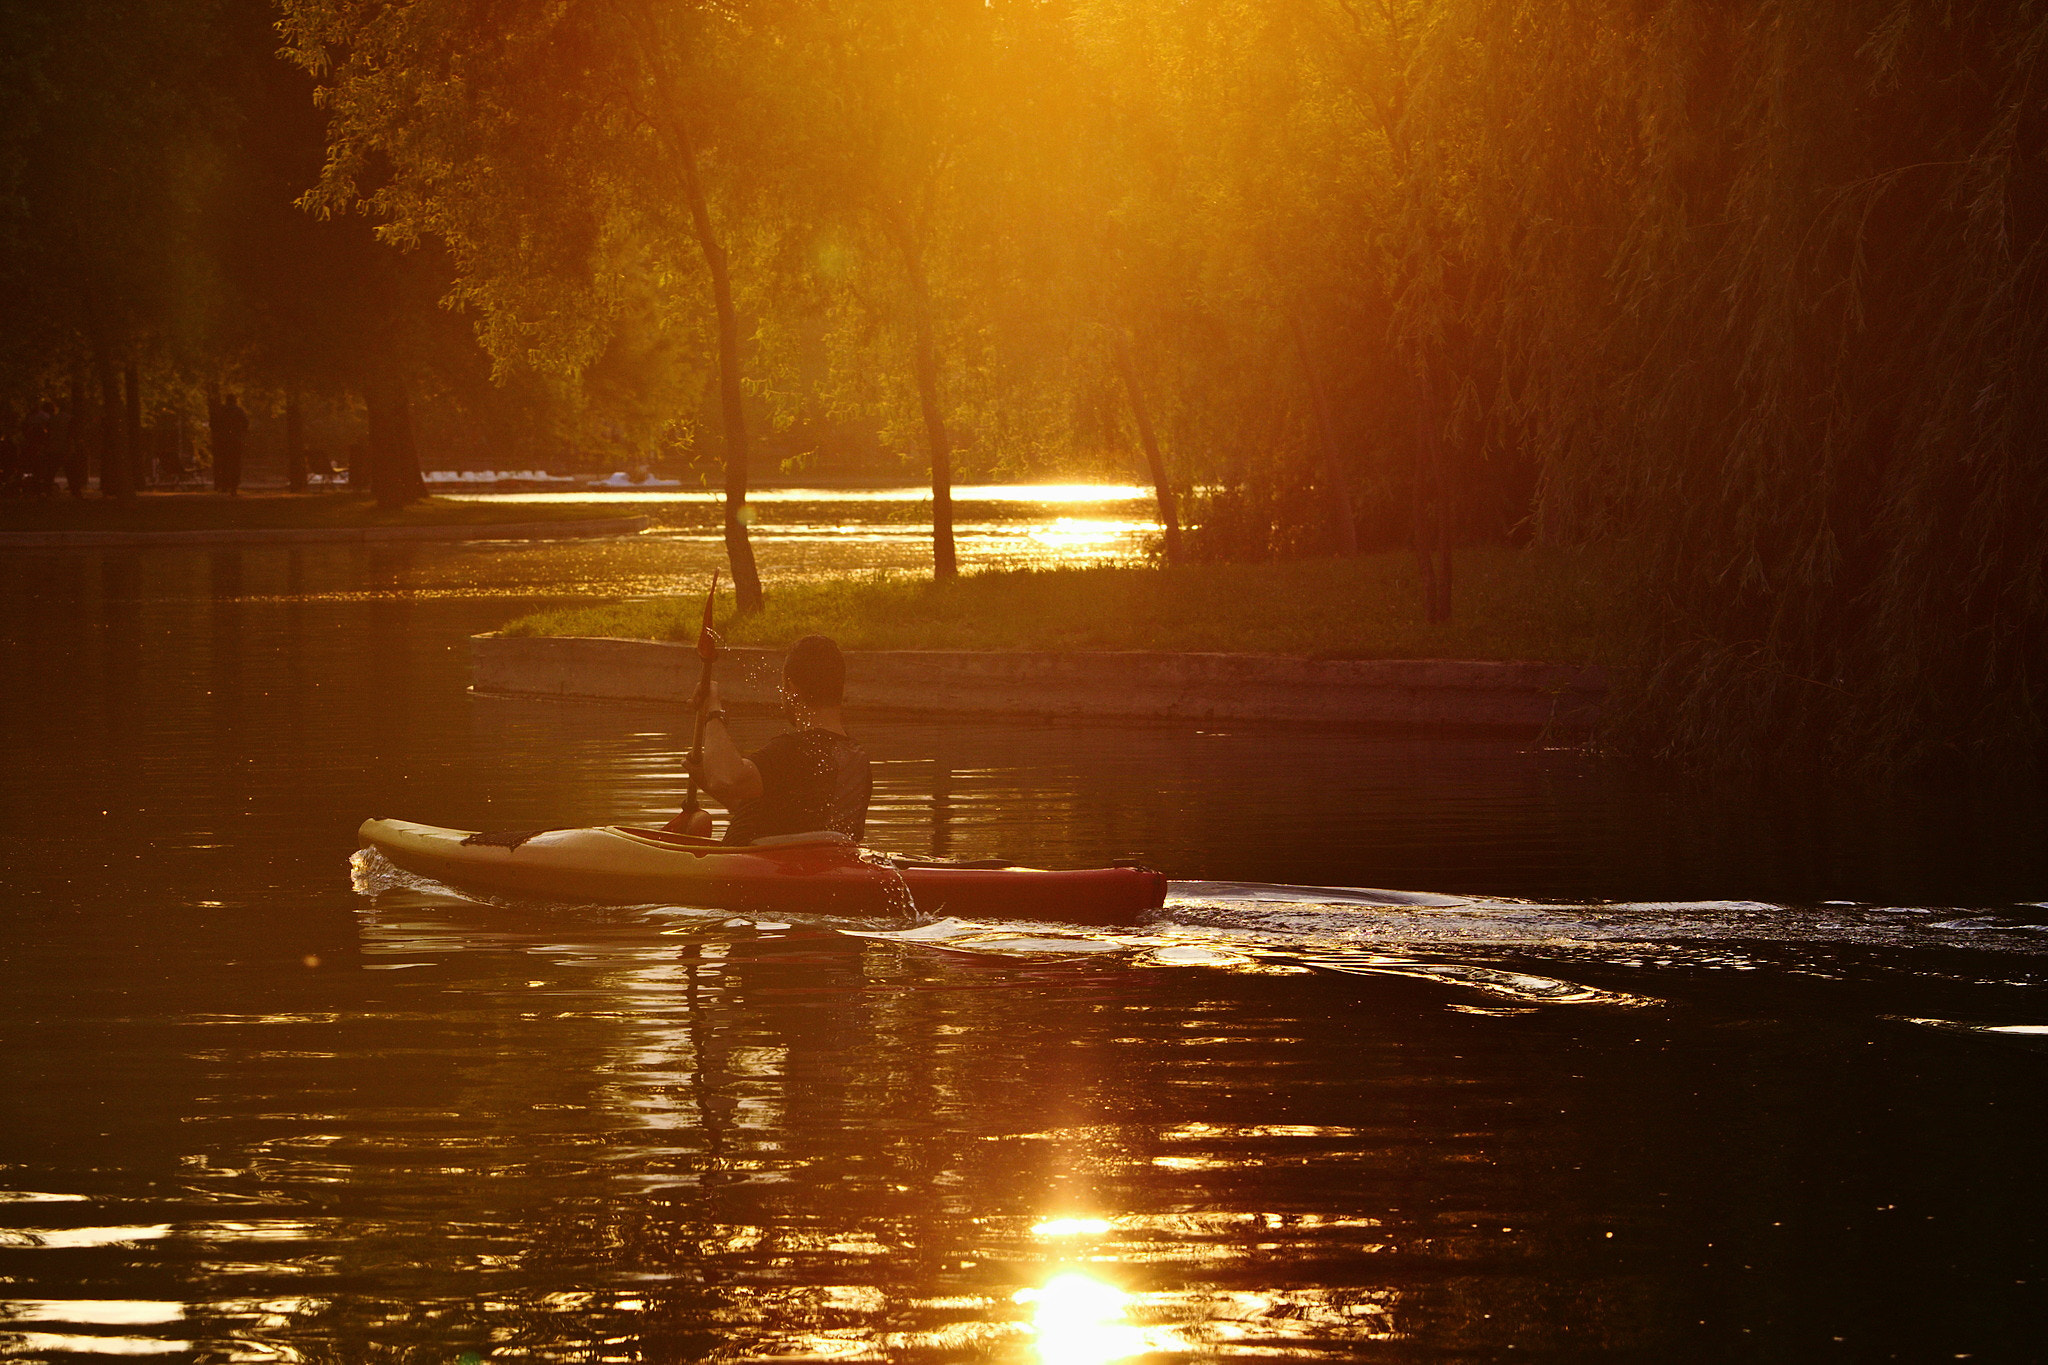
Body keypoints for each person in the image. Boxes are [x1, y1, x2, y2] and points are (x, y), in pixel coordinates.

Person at [669, 635, 872, 844]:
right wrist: (716, 787)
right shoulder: (858, 761)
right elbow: (793, 822)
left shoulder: (793, 751)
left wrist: (712, 710)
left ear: (792, 688)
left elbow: (726, 778)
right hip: (812, 869)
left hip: (749, 870)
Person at [213, 393, 249, 495]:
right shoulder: (239, 411)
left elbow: (214, 424)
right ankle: (234, 487)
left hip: (223, 440)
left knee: (223, 463)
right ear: (235, 400)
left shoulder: (221, 411)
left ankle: (224, 485)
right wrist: (241, 432)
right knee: (236, 463)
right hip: (236, 440)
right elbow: (246, 422)